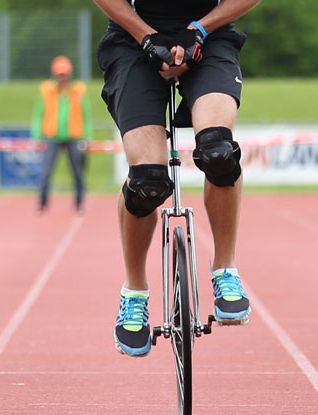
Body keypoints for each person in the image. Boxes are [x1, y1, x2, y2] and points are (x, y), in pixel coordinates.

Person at [93, 0, 257, 358]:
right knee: (146, 182)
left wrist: (199, 29)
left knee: (219, 152)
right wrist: (147, 37)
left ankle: (225, 267)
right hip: (133, 41)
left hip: (208, 37)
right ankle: (134, 292)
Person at [31, 55, 90, 214]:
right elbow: (38, 114)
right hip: (51, 136)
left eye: (64, 74)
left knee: (78, 173)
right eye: (59, 74)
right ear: (54, 74)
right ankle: (42, 204)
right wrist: (36, 136)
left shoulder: (78, 90)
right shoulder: (46, 90)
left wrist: (87, 136)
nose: (62, 77)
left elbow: (86, 115)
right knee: (46, 172)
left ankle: (79, 205)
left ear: (69, 74)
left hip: (74, 136)